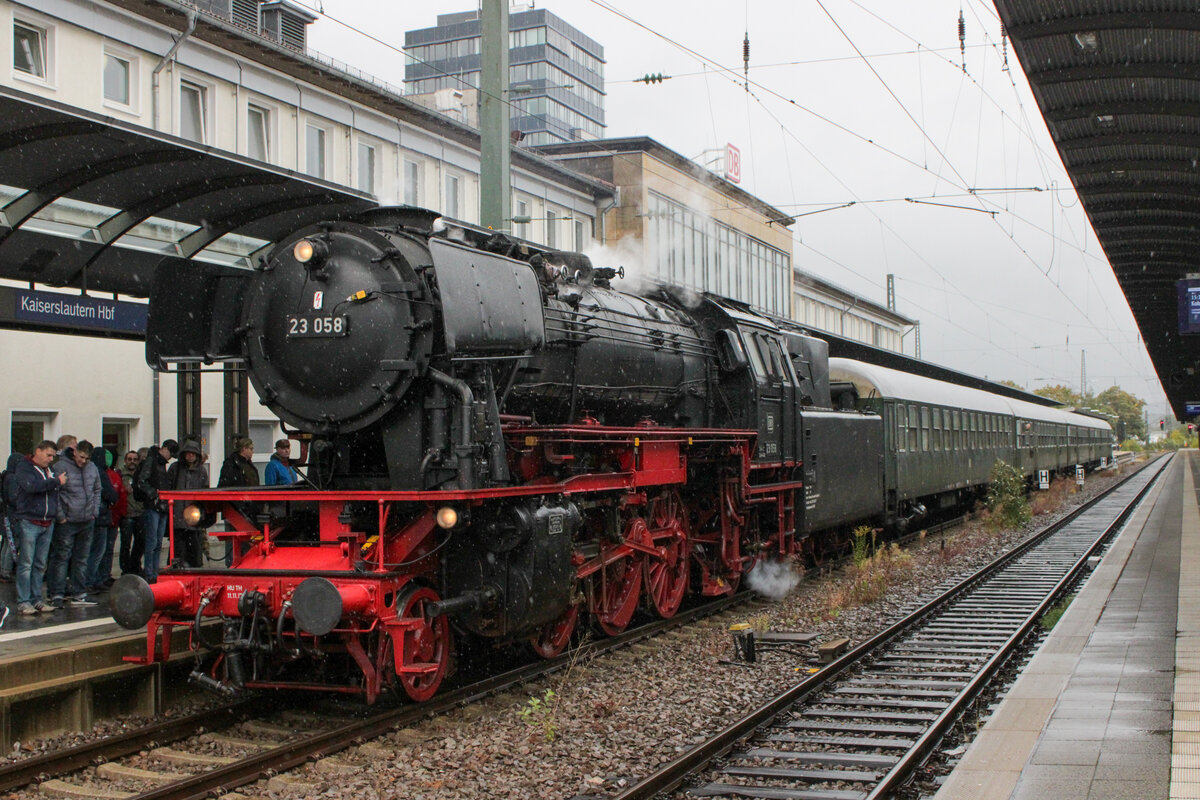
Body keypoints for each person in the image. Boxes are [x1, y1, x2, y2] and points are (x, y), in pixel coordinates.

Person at [11, 441, 66, 615]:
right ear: (38, 451)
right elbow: (31, 487)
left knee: (40, 564)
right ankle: (24, 601)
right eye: (48, 455)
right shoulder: (24, 468)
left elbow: (53, 495)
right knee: (26, 564)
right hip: (29, 520)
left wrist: (57, 515)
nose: (50, 459)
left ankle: (37, 599)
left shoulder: (49, 471)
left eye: (53, 456)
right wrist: (55, 482)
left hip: (47, 521)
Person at [48, 439, 101, 607]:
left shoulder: (92, 468)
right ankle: (56, 592)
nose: (83, 461)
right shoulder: (61, 467)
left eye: (86, 458)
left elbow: (97, 489)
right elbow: (55, 493)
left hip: (87, 519)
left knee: (81, 558)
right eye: (81, 457)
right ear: (75, 452)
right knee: (62, 556)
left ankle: (79, 592)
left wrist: (94, 511)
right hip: (68, 520)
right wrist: (61, 516)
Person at [135, 439, 177, 583]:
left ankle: (153, 572)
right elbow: (142, 481)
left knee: (156, 542)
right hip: (155, 505)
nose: (170, 457)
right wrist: (154, 494)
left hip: (159, 505)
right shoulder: (153, 461)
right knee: (153, 541)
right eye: (170, 453)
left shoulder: (156, 462)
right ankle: (150, 572)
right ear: (164, 449)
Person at [86, 447, 125, 590]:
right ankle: (92, 580)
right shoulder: (100, 473)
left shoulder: (91, 470)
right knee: (98, 551)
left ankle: (93, 579)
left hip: (92, 515)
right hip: (101, 516)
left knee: (93, 551)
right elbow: (111, 494)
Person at [166, 440, 210, 567]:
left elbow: (204, 491)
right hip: (178, 514)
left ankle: (193, 568)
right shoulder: (175, 468)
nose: (190, 456)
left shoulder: (201, 471)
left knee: (194, 547)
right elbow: (169, 488)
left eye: (193, 454)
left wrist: (202, 513)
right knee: (177, 547)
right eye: (188, 453)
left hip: (193, 515)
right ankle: (176, 568)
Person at [218, 438, 259, 567]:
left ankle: (245, 564)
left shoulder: (245, 464)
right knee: (236, 541)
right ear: (244, 449)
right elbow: (225, 486)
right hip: (237, 508)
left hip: (247, 507)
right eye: (251, 449)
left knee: (246, 540)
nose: (252, 452)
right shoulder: (232, 465)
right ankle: (234, 565)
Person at [118, 450, 143, 577]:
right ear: (125, 460)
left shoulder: (141, 475)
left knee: (139, 543)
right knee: (125, 544)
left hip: (140, 513)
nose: (132, 462)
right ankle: (125, 568)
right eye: (129, 459)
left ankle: (135, 565)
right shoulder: (121, 474)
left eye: (134, 459)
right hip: (127, 514)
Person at [1, 452, 21, 581]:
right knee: (13, 542)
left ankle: (3, 569)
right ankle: (6, 570)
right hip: (13, 515)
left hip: (6, 515)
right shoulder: (13, 478)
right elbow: (14, 498)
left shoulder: (6, 476)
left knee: (7, 543)